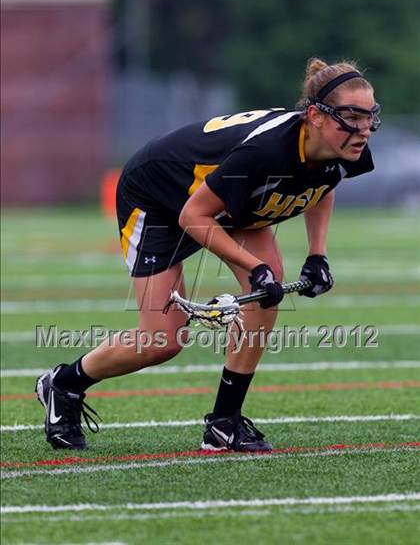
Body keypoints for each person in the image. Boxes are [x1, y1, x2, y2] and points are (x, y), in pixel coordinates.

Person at [36, 57, 380, 452]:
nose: (364, 129)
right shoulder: (267, 150)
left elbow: (323, 183)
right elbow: (193, 215)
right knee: (161, 340)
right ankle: (63, 384)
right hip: (160, 196)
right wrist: (255, 268)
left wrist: (317, 255)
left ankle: (224, 422)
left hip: (226, 200)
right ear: (316, 116)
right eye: (353, 117)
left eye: (370, 117)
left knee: (267, 295)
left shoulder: (338, 147)